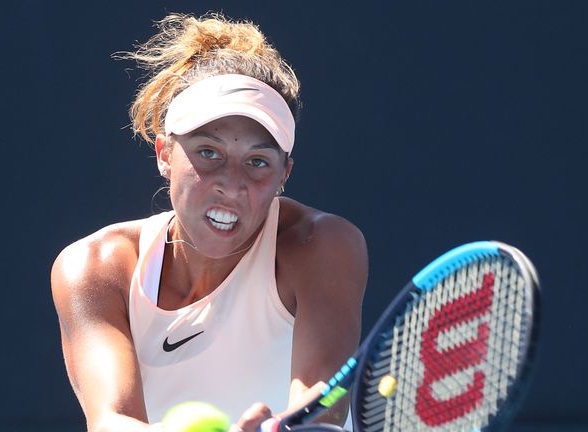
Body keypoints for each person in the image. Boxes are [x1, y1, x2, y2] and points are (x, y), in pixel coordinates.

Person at [50, 12, 368, 432]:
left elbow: (321, 412)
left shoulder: (321, 244)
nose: (232, 185)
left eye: (257, 162)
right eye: (208, 153)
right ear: (165, 154)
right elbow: (111, 420)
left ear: (283, 175)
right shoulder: (95, 268)